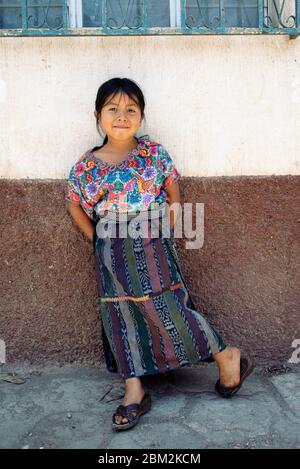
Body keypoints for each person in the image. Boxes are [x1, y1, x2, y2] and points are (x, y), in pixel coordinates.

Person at [65, 77, 254, 432]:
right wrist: (96, 238)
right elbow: (74, 203)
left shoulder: (153, 154)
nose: (122, 116)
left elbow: (173, 191)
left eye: (131, 109)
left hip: (151, 240)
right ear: (97, 115)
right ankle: (133, 388)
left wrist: (165, 224)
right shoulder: (86, 166)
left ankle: (226, 355)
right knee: (119, 313)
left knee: (165, 304)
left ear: (141, 116)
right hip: (110, 246)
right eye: (112, 109)